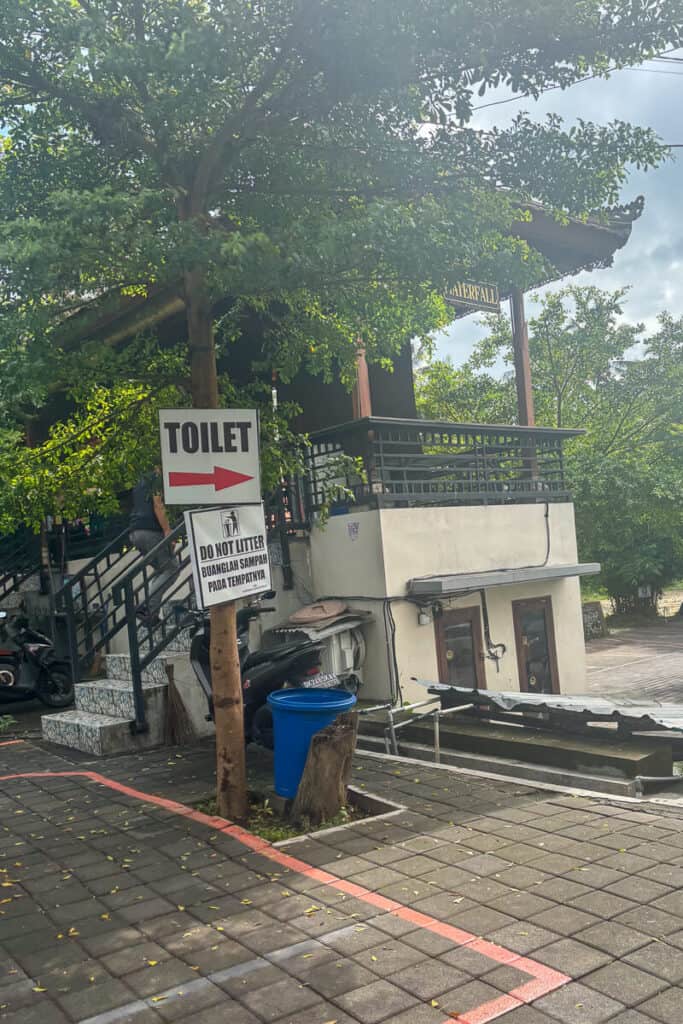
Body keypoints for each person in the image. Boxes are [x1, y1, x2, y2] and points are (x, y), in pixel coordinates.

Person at [128, 469, 179, 625]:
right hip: (151, 531)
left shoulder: (141, 481)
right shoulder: (156, 479)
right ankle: (146, 608)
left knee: (162, 570)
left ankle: (152, 612)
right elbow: (158, 504)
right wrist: (167, 531)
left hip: (135, 533)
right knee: (172, 569)